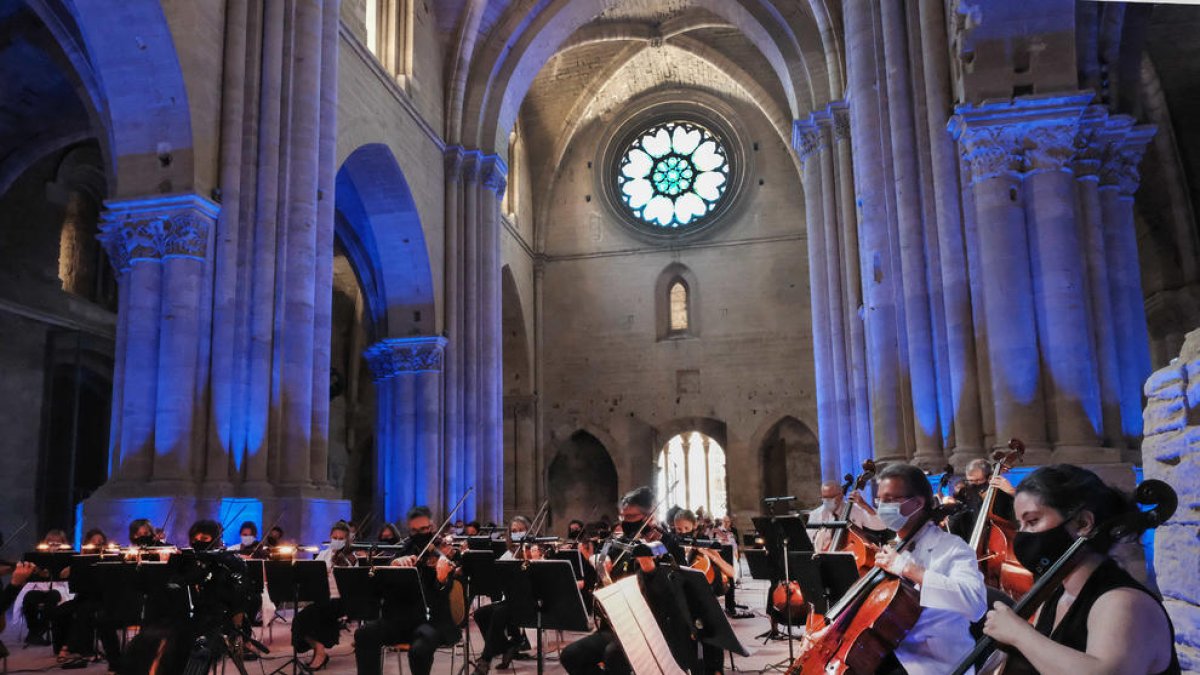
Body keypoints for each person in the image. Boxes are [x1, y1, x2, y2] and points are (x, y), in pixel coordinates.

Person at [980, 464, 1180, 674]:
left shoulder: (1125, 602)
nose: (1022, 535)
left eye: (1032, 521)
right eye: (1020, 525)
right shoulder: (1054, 595)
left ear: (1083, 523)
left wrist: (1019, 634)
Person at [858, 463, 987, 675]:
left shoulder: (952, 547)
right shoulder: (889, 549)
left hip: (933, 663)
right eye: (880, 500)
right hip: (890, 653)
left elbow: (976, 604)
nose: (882, 506)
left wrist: (909, 569)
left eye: (890, 500)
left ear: (917, 503)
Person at [354, 506, 460, 675]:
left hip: (432, 621)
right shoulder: (404, 549)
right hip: (401, 619)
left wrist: (441, 578)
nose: (420, 534)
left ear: (432, 527)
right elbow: (384, 586)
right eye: (415, 530)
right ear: (409, 531)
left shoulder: (441, 554)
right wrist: (393, 565)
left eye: (424, 529)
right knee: (364, 634)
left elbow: (442, 594)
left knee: (419, 649)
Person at [471, 516, 537, 674]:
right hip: (510, 601)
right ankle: (508, 646)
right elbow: (498, 578)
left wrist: (533, 559)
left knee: (500, 612)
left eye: (521, 530)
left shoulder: (534, 551)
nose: (517, 534)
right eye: (513, 531)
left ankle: (486, 659)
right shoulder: (508, 554)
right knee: (480, 614)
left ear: (528, 531)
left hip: (531, 602)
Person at [291, 521, 356, 670]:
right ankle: (319, 650)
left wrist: (340, 570)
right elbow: (311, 575)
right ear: (330, 536)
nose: (337, 541)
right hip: (322, 598)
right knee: (300, 619)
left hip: (340, 600)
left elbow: (352, 584)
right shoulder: (323, 554)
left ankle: (320, 654)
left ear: (347, 541)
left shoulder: (351, 557)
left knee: (316, 615)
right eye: (335, 537)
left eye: (341, 539)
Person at [948, 458, 1015, 542]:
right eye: (971, 480)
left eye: (978, 480)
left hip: (996, 540)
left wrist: (1012, 492)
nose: (974, 484)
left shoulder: (1001, 493)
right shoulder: (967, 491)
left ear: (989, 477)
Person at [806, 480, 886, 551]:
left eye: (831, 497)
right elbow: (808, 540)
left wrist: (865, 505)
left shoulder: (854, 509)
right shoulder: (816, 514)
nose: (827, 501)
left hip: (853, 554)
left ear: (841, 495)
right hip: (826, 555)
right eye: (824, 498)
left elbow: (881, 525)